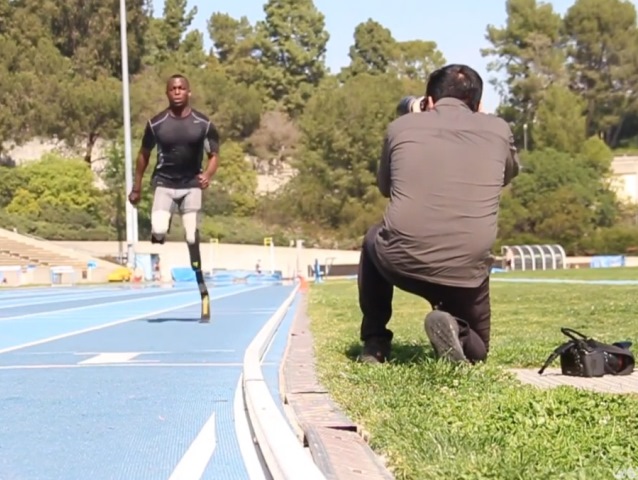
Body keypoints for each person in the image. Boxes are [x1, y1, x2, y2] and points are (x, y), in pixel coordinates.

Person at [358, 64, 520, 364]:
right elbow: (506, 175)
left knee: (372, 239)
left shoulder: (400, 128)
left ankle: (375, 341)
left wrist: (414, 120)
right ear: (478, 104)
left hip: (400, 260)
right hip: (466, 270)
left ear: (429, 101)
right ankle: (455, 328)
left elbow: (385, 187)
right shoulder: (499, 130)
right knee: (479, 350)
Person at [128, 73, 220, 321]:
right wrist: (136, 187)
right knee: (158, 230)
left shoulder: (204, 123)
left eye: (181, 88)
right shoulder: (156, 124)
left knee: (191, 236)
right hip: (164, 183)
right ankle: (163, 225)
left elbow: (214, 156)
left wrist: (208, 175)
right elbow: (143, 155)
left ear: (189, 92)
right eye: (172, 89)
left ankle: (203, 292)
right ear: (167, 93)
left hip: (191, 185)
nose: (177, 92)